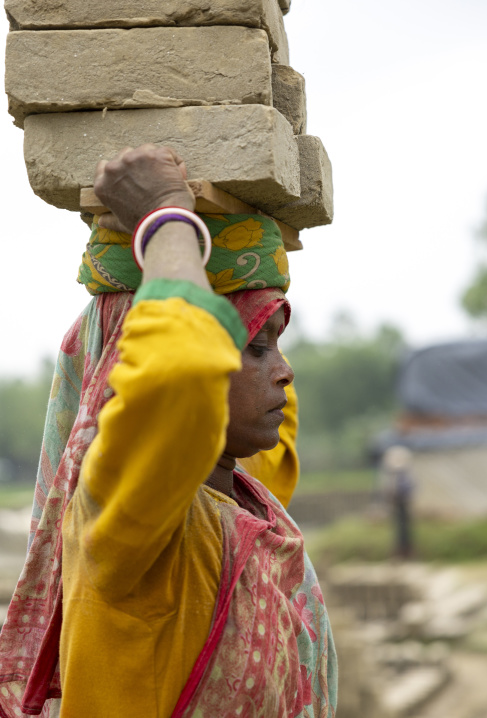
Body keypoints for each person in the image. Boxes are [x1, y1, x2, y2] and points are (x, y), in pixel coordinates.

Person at [0, 144, 337, 717]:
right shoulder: (130, 518)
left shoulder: (249, 504)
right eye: (254, 347)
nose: (285, 371)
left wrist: (245, 224)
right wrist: (165, 216)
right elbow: (183, 372)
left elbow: (202, 381)